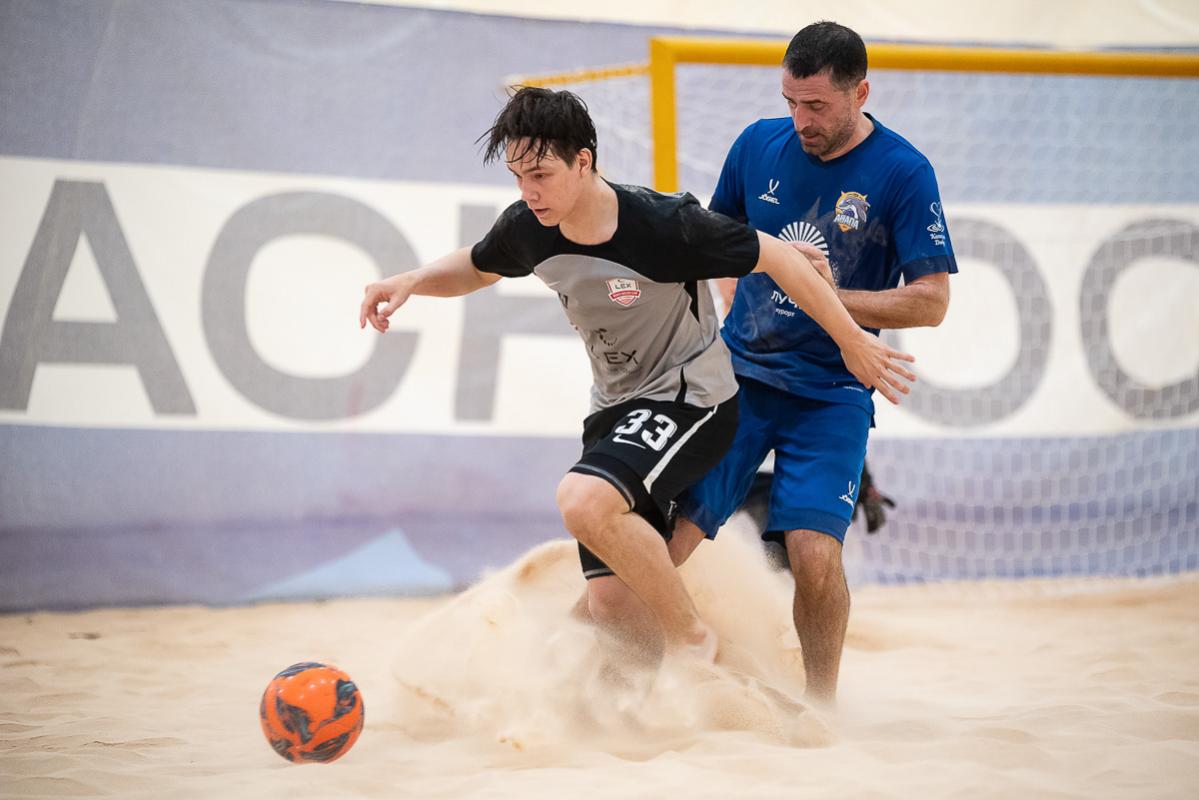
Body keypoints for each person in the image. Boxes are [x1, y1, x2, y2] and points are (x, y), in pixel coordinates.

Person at [359, 86, 916, 662]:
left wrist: (852, 340)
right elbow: (478, 267)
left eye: (541, 175)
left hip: (692, 400)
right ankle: (717, 685)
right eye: (518, 177)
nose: (528, 192)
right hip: (614, 408)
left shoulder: (663, 225)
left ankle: (693, 638)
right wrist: (411, 281)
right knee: (615, 612)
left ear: (584, 161)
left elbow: (777, 257)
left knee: (582, 500)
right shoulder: (528, 226)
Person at [588, 22, 956, 701]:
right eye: (790, 101)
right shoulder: (758, 144)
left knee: (814, 555)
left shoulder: (904, 172)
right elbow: (711, 244)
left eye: (816, 105)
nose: (800, 119)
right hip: (737, 378)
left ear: (860, 93)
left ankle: (820, 708)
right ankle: (604, 681)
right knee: (670, 538)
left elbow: (931, 302)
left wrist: (823, 296)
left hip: (833, 391)